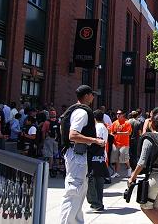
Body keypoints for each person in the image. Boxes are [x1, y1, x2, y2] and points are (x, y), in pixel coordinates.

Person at [59, 85, 105, 224]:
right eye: (92, 94)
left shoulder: (77, 110)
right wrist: (94, 140)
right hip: (77, 154)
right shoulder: (82, 113)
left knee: (79, 191)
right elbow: (73, 135)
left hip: (77, 154)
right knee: (75, 191)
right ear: (86, 96)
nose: (93, 97)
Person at [128, 115, 158, 224]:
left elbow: (142, 162)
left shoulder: (149, 139)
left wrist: (132, 177)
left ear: (152, 124)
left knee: (145, 207)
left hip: (156, 178)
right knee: (157, 208)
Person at [86, 110, 109, 212]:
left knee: (92, 180)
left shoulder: (98, 127)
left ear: (94, 118)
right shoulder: (104, 127)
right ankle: (99, 203)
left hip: (95, 156)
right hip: (101, 156)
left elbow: (99, 142)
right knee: (99, 181)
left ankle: (96, 203)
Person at [110, 110, 132, 178]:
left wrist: (118, 133)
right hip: (116, 143)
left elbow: (129, 133)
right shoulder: (114, 123)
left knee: (125, 158)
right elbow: (112, 132)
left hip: (124, 144)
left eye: (119, 113)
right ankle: (116, 172)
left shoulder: (127, 123)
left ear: (123, 114)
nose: (118, 115)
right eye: (117, 113)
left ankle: (129, 169)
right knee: (116, 159)